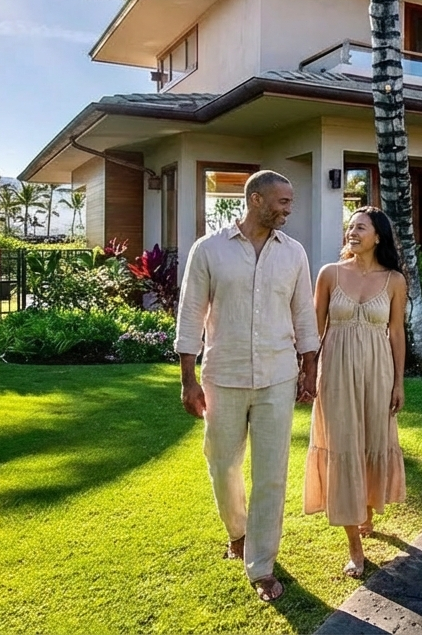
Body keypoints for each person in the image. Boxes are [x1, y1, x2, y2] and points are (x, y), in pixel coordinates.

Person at [174, 170, 320, 603]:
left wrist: (309, 369)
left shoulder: (294, 254)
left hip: (278, 375)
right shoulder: (209, 250)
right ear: (255, 200)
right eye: (283, 201)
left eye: (290, 202)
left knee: (272, 474)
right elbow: (190, 316)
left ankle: (260, 563)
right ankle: (237, 531)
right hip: (224, 375)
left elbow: (304, 316)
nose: (288, 209)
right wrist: (187, 380)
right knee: (222, 462)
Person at [304, 206, 407, 578]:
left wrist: (398, 381)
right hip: (335, 372)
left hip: (377, 373)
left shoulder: (394, 280)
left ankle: (365, 506)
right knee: (343, 445)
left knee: (370, 442)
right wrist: (307, 371)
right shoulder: (329, 274)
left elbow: (396, 332)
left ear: (378, 236)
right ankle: (354, 547)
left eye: (360, 227)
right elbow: (314, 328)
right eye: (350, 227)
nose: (352, 232)